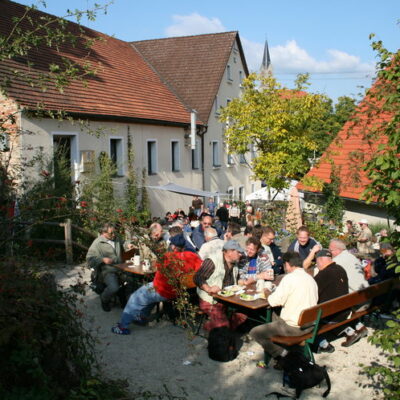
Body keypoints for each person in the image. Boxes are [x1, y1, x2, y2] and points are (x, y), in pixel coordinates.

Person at [112, 234, 202, 335]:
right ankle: (142, 316)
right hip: (179, 291)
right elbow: (200, 270)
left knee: (135, 297)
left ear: (173, 246)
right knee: (147, 291)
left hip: (162, 290)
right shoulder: (193, 256)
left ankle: (122, 326)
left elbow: (156, 266)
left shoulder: (167, 257)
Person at [249, 252, 318, 365]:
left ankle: (284, 355)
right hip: (310, 324)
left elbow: (273, 301)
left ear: (287, 264)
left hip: (294, 328)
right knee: (276, 314)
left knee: (255, 332)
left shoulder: (289, 279)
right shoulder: (310, 278)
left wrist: (266, 292)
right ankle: (283, 348)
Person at [194, 240, 247, 331]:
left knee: (243, 315)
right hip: (210, 300)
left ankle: (219, 328)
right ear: (229, 252)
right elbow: (198, 277)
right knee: (223, 324)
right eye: (238, 252)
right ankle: (218, 329)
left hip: (227, 299)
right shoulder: (212, 261)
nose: (241, 254)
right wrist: (208, 288)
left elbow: (236, 280)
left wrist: (245, 282)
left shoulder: (234, 264)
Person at [329, 239, 369, 346]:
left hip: (356, 300)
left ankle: (349, 332)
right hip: (366, 295)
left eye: (331, 250)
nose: (329, 253)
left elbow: (323, 273)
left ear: (338, 250)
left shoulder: (338, 261)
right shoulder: (352, 257)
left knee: (329, 304)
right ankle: (359, 326)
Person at [313, 249, 349, 353]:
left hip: (331, 315)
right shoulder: (340, 269)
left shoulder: (324, 274)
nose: (316, 265)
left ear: (320, 260)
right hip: (344, 311)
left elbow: (312, 291)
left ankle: (321, 342)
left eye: (316, 262)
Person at [86, 222, 127, 312]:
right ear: (103, 233)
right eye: (111, 233)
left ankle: (122, 295)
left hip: (121, 268)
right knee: (113, 287)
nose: (113, 235)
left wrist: (128, 245)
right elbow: (89, 259)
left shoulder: (116, 238)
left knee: (134, 280)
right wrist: (102, 259)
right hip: (107, 270)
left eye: (114, 232)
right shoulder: (97, 243)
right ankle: (104, 299)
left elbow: (123, 243)